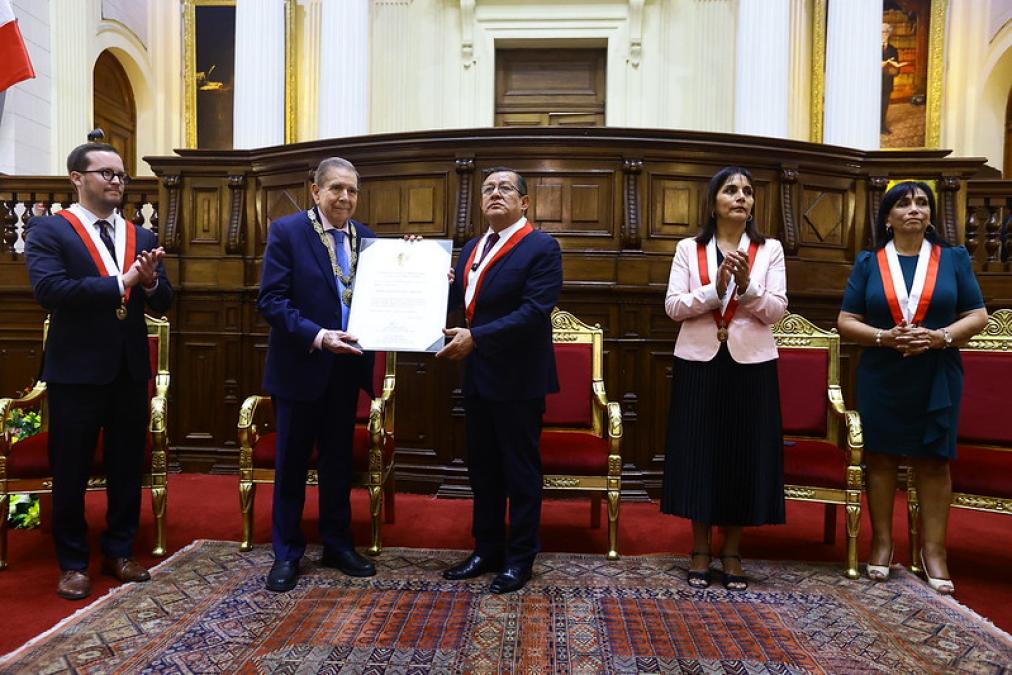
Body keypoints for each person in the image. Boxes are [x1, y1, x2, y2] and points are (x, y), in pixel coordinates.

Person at [25, 142, 173, 600]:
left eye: (121, 175)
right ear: (77, 178)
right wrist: (121, 283)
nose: (116, 182)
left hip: (129, 369)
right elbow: (51, 291)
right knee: (70, 469)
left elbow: (165, 301)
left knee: (127, 465)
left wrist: (150, 282)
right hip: (75, 371)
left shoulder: (139, 236)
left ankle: (119, 551)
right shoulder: (50, 230)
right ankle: (72, 563)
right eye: (107, 173)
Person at [837, 181, 986, 595]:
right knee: (881, 458)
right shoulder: (870, 262)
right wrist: (884, 337)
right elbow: (846, 321)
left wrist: (940, 337)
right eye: (903, 203)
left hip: (937, 371)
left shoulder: (953, 259)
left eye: (922, 202)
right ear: (888, 217)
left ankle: (934, 551)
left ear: (931, 215)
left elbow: (977, 315)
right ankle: (882, 543)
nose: (914, 209)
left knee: (934, 461)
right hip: (883, 372)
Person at [660, 166, 788, 591]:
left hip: (751, 364)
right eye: (731, 190)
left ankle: (732, 551)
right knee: (700, 454)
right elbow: (673, 307)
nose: (741, 197)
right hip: (699, 361)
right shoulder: (689, 249)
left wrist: (747, 287)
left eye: (748, 191)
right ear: (713, 202)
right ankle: (699, 549)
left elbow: (776, 311)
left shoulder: (768, 250)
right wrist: (715, 289)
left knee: (741, 455)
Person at [437, 167, 563, 594]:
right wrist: (421, 265)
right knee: (483, 469)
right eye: (488, 188)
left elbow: (533, 312)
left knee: (519, 471)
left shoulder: (541, 247)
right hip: (478, 375)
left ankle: (520, 557)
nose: (495, 193)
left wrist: (478, 338)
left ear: (524, 202)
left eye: (505, 188)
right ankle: (486, 549)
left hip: (519, 378)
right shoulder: (473, 248)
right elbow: (456, 300)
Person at [257, 157, 378, 592]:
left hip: (346, 371)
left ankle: (337, 544)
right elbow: (271, 301)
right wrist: (320, 336)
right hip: (300, 367)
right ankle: (287, 553)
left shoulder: (368, 239)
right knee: (291, 465)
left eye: (352, 190)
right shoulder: (288, 232)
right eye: (336, 189)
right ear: (316, 191)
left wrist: (416, 262)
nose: (345, 197)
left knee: (337, 464)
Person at [881, 23, 907, 135]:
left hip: (887, 82)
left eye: (886, 32)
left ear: (889, 34)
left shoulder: (893, 50)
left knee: (884, 105)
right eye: (882, 32)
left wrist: (894, 68)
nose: (884, 35)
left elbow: (896, 69)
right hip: (872, 83)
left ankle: (882, 126)